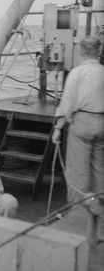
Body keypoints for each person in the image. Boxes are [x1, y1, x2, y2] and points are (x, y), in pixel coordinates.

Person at [51, 37, 104, 204]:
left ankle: (77, 212)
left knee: (77, 170)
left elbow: (67, 103)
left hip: (82, 122)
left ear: (81, 52)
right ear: (99, 51)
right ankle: (99, 206)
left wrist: (58, 127)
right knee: (98, 168)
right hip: (101, 123)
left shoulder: (77, 73)